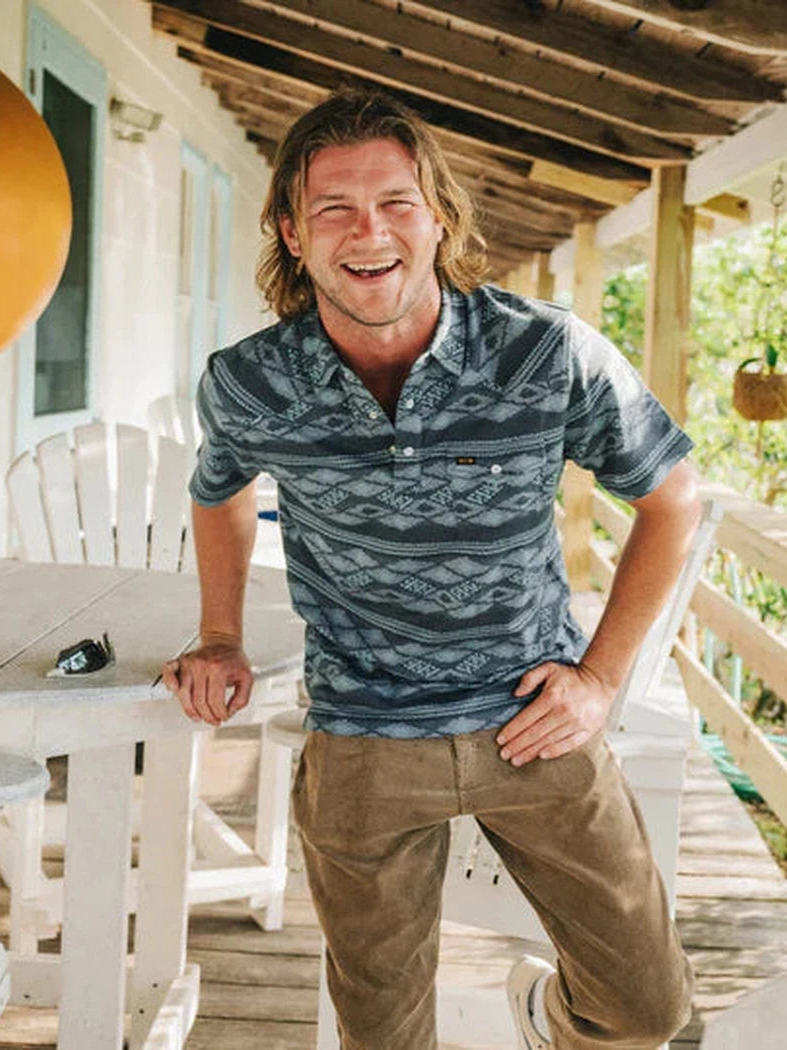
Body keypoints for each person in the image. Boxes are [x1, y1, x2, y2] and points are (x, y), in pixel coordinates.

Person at [163, 89, 699, 1050]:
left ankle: (542, 1014)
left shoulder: (546, 351)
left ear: (439, 217)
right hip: (364, 734)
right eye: (333, 208)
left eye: (396, 203)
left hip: (534, 717)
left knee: (646, 1009)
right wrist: (219, 634)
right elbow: (219, 490)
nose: (368, 232)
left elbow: (672, 499)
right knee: (384, 1036)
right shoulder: (246, 382)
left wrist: (599, 679)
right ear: (292, 233)